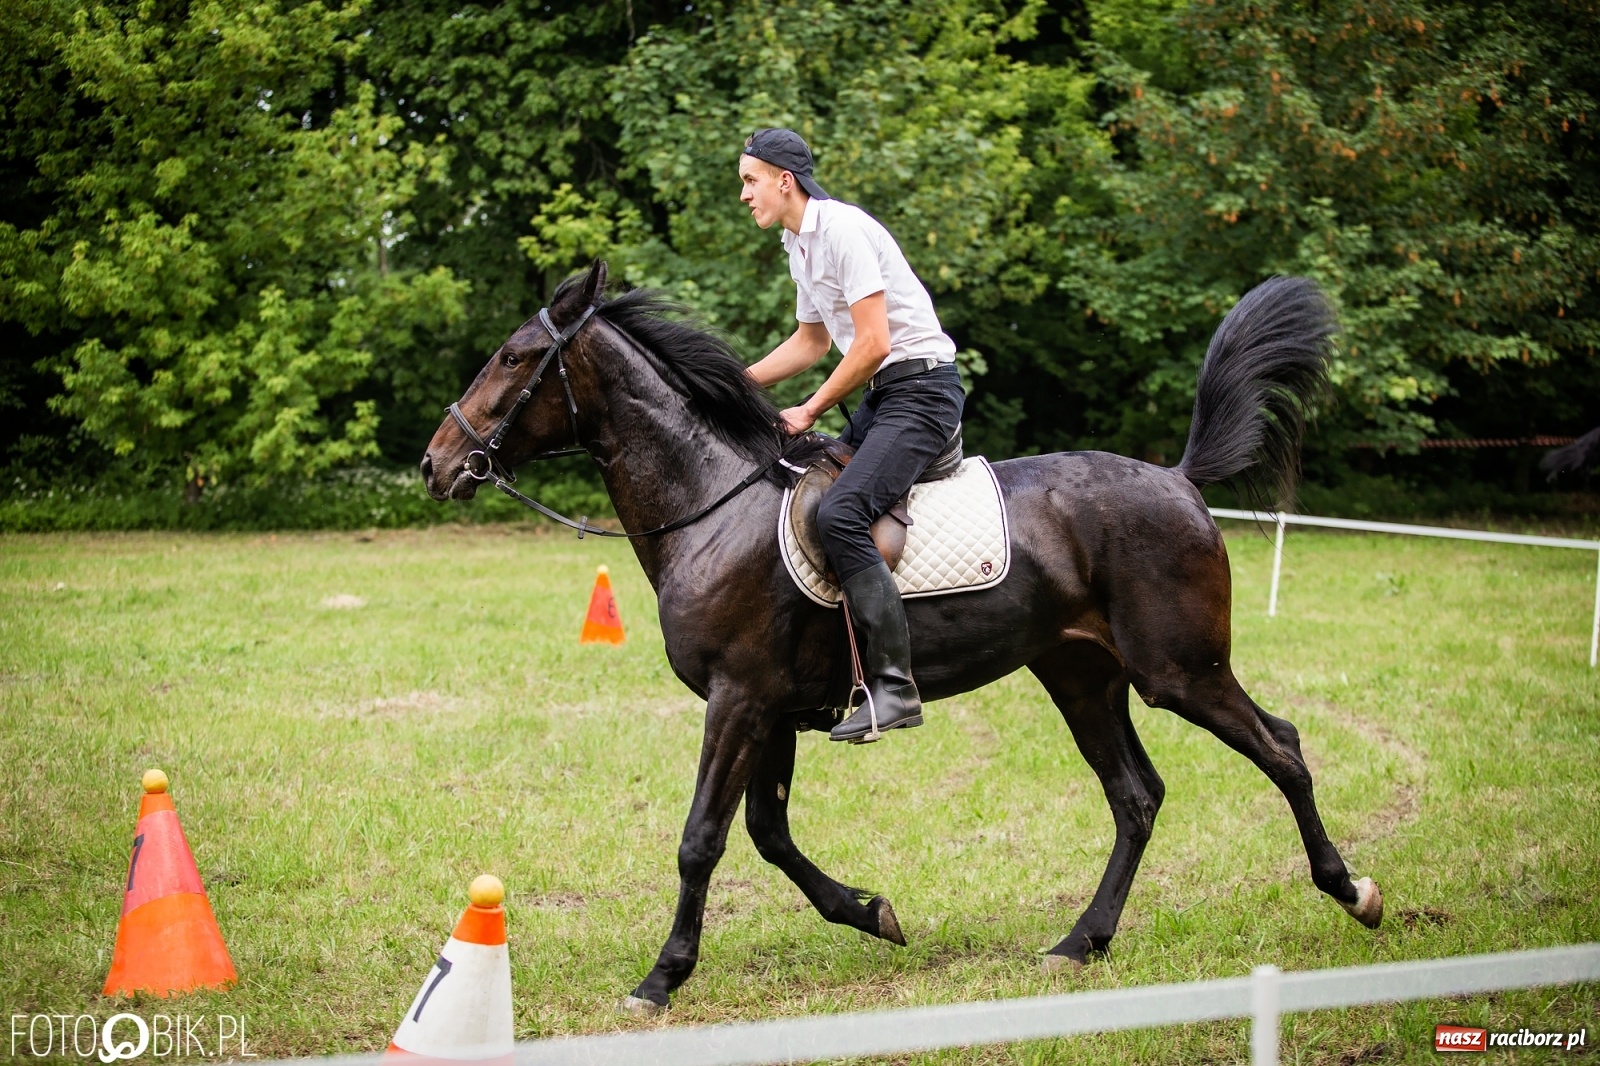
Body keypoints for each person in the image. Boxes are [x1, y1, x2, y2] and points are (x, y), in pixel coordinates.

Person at [738, 128, 965, 743]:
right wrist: (733, 384)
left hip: (922, 394)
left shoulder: (842, 230)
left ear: (784, 180)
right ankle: (822, 679)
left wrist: (809, 409)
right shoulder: (798, 245)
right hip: (884, 397)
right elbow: (811, 342)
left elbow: (873, 343)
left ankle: (894, 689)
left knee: (840, 514)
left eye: (750, 181)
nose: (744, 195)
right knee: (801, 493)